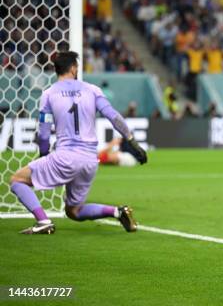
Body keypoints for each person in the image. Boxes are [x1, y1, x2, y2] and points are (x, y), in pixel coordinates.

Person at [10, 51, 147, 234]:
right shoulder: (92, 90)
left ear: (56, 69)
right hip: (90, 161)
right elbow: (113, 116)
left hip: (65, 157)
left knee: (17, 179)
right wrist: (132, 141)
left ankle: (43, 221)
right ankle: (117, 211)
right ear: (74, 68)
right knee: (74, 211)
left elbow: (44, 133)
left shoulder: (49, 94)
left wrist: (44, 155)